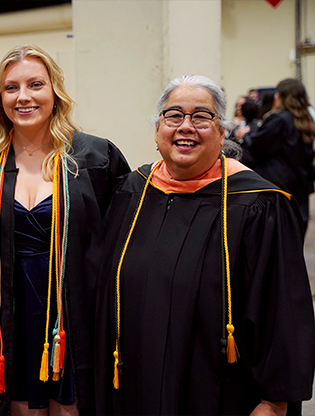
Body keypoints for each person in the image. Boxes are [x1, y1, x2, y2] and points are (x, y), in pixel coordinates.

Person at [94, 75, 315, 416]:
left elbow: (280, 312)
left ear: (222, 132)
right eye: (173, 116)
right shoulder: (131, 192)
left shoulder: (258, 204)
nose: (186, 126)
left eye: (201, 117)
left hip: (217, 393)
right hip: (133, 385)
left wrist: (274, 402)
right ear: (157, 132)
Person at [0, 44, 130, 415]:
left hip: (74, 314)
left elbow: (125, 238)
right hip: (6, 316)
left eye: (36, 84)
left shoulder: (95, 158)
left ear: (55, 91)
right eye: (11, 87)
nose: (24, 97)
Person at [238, 78, 315, 230]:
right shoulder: (306, 120)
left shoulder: (280, 119)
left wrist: (244, 136)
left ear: (280, 96)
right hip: (299, 187)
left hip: (279, 188)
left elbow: (258, 147)